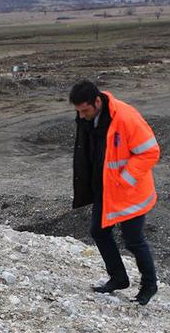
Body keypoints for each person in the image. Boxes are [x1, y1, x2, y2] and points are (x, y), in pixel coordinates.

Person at [69, 80, 161, 305]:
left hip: (129, 193)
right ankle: (119, 278)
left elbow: (150, 152)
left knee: (134, 240)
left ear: (97, 101)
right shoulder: (88, 118)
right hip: (106, 190)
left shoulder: (126, 118)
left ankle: (150, 285)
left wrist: (125, 179)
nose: (81, 116)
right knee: (98, 232)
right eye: (78, 111)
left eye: (85, 110)